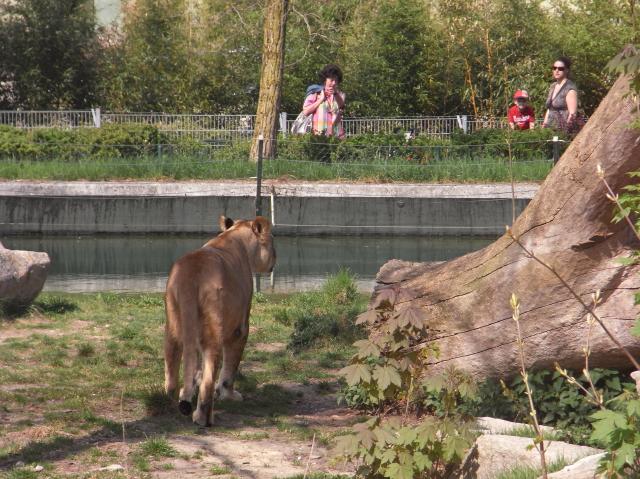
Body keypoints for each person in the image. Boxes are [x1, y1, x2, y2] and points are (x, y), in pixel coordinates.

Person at [302, 64, 346, 139]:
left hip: (336, 136)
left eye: (336, 80)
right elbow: (305, 112)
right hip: (318, 136)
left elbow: (342, 106)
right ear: (325, 80)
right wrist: (320, 100)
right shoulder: (315, 93)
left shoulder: (340, 95)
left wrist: (335, 93)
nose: (334, 83)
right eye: (331, 80)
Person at [542, 56, 579, 133]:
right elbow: (550, 108)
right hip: (550, 129)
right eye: (554, 68)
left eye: (560, 68)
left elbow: (572, 114)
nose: (557, 70)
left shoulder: (569, 88)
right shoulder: (553, 86)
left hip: (562, 130)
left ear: (567, 70)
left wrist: (565, 133)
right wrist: (544, 126)